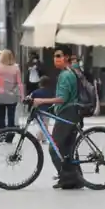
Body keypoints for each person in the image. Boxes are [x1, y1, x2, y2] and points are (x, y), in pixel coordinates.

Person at [30, 48, 84, 190]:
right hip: (72, 111)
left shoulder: (65, 75)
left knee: (55, 148)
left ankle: (66, 178)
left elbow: (62, 98)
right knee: (68, 148)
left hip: (67, 112)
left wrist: (41, 101)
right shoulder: (70, 72)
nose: (56, 59)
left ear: (66, 57)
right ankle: (75, 179)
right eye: (54, 56)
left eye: (59, 56)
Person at [0, 50, 22, 132]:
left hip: (1, 95)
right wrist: (22, 95)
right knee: (11, 116)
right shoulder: (16, 67)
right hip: (12, 95)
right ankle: (10, 136)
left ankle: (1, 134)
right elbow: (19, 83)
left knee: (1, 116)